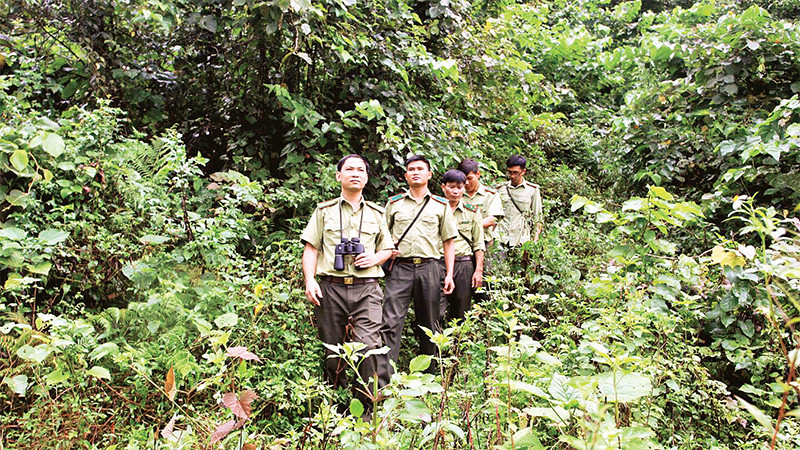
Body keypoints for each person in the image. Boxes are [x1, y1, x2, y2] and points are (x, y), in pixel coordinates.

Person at [300, 154, 394, 409]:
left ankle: (368, 407)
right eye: (349, 169)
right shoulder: (324, 211)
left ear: (367, 177)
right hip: (331, 287)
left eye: (361, 170)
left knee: (369, 346)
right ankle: (336, 408)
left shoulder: (377, 213)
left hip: (367, 288)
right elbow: (311, 248)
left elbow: (388, 249)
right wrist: (310, 280)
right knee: (333, 350)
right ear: (338, 175)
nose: (355, 173)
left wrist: (373, 258)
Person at [380, 155, 457, 383]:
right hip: (400, 269)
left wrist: (449, 274)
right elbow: (381, 235)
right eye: (411, 169)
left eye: (420, 169)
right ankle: (386, 380)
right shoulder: (394, 204)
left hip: (430, 268)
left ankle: (428, 379)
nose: (415, 172)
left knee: (430, 323)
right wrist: (387, 248)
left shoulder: (440, 205)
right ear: (405, 176)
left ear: (429, 175)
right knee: (390, 322)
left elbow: (448, 241)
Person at [439, 169, 485, 323]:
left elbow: (478, 243)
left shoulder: (471, 212)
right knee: (436, 309)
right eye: (451, 187)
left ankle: (458, 338)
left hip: (463, 264)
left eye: (459, 187)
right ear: (443, 187)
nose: (455, 191)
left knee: (461, 311)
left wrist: (478, 271)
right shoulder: (434, 209)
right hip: (438, 263)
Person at [497, 155, 543, 247]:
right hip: (501, 239)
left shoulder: (532, 190)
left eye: (516, 172)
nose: (512, 176)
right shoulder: (500, 189)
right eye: (509, 172)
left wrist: (534, 242)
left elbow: (537, 218)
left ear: (523, 171)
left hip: (521, 240)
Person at [457, 158, 504, 244]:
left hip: (484, 242)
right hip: (461, 244)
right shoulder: (456, 195)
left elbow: (493, 219)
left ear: (478, 174)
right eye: (463, 179)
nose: (466, 182)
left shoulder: (490, 195)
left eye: (469, 178)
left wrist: (468, 226)